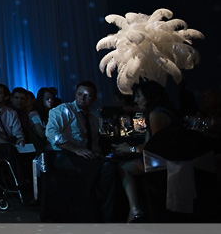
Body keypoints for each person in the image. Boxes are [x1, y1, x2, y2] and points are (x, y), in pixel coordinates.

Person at [45, 81, 118, 222]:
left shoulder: (93, 118)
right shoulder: (64, 110)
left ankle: (107, 214)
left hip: (85, 155)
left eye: (87, 96)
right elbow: (52, 133)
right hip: (63, 154)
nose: (82, 98)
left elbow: (94, 142)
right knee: (104, 169)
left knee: (111, 166)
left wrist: (98, 154)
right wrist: (76, 149)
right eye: (79, 94)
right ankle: (97, 215)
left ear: (94, 98)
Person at [112, 80, 183, 222]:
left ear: (149, 96)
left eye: (138, 96)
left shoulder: (156, 114)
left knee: (123, 168)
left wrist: (131, 149)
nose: (135, 100)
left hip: (166, 162)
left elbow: (153, 148)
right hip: (169, 158)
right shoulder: (159, 111)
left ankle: (135, 210)